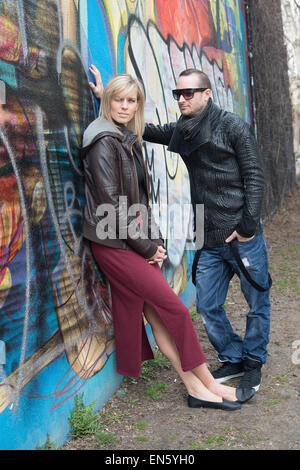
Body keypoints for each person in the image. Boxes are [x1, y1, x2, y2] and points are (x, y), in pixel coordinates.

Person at [88, 65, 271, 402]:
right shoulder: (184, 130)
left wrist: (247, 226)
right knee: (207, 304)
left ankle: (254, 360)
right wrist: (106, 99)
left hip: (240, 233)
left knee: (256, 300)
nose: (182, 99)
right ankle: (231, 357)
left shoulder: (232, 126)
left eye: (189, 93)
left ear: (206, 94)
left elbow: (255, 176)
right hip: (206, 231)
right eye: (178, 93)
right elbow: (149, 131)